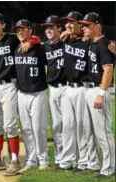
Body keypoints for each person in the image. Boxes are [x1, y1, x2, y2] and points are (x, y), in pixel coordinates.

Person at [0, 12, 40, 175]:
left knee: (9, 124)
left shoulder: (11, 38)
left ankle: (14, 160)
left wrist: (31, 41)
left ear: (3, 25)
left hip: (10, 85)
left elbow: (34, 39)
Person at [79, 12, 115, 178]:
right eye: (84, 25)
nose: (84, 28)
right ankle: (95, 165)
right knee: (91, 131)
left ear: (98, 25)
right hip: (91, 90)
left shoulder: (104, 44)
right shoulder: (93, 43)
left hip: (101, 90)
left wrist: (101, 93)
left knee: (103, 133)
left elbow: (108, 70)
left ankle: (109, 168)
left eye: (88, 25)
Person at [12, 19, 49, 174]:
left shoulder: (39, 48)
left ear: (30, 30)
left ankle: (44, 160)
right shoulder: (16, 48)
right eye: (18, 30)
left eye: (23, 29)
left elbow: (45, 45)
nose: (20, 32)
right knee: (26, 128)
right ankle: (31, 160)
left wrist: (34, 41)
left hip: (37, 93)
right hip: (21, 93)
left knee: (38, 128)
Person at [58, 11, 90, 171]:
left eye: (72, 22)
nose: (68, 25)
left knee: (82, 126)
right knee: (68, 125)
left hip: (83, 88)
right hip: (67, 88)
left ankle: (83, 162)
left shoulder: (89, 42)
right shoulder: (66, 39)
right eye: (67, 22)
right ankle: (67, 160)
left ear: (81, 24)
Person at [41, 15, 65, 168]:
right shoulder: (45, 46)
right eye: (47, 27)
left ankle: (72, 158)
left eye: (52, 27)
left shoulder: (67, 43)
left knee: (70, 124)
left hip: (67, 88)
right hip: (52, 89)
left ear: (59, 28)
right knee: (56, 125)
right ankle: (59, 158)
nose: (48, 29)